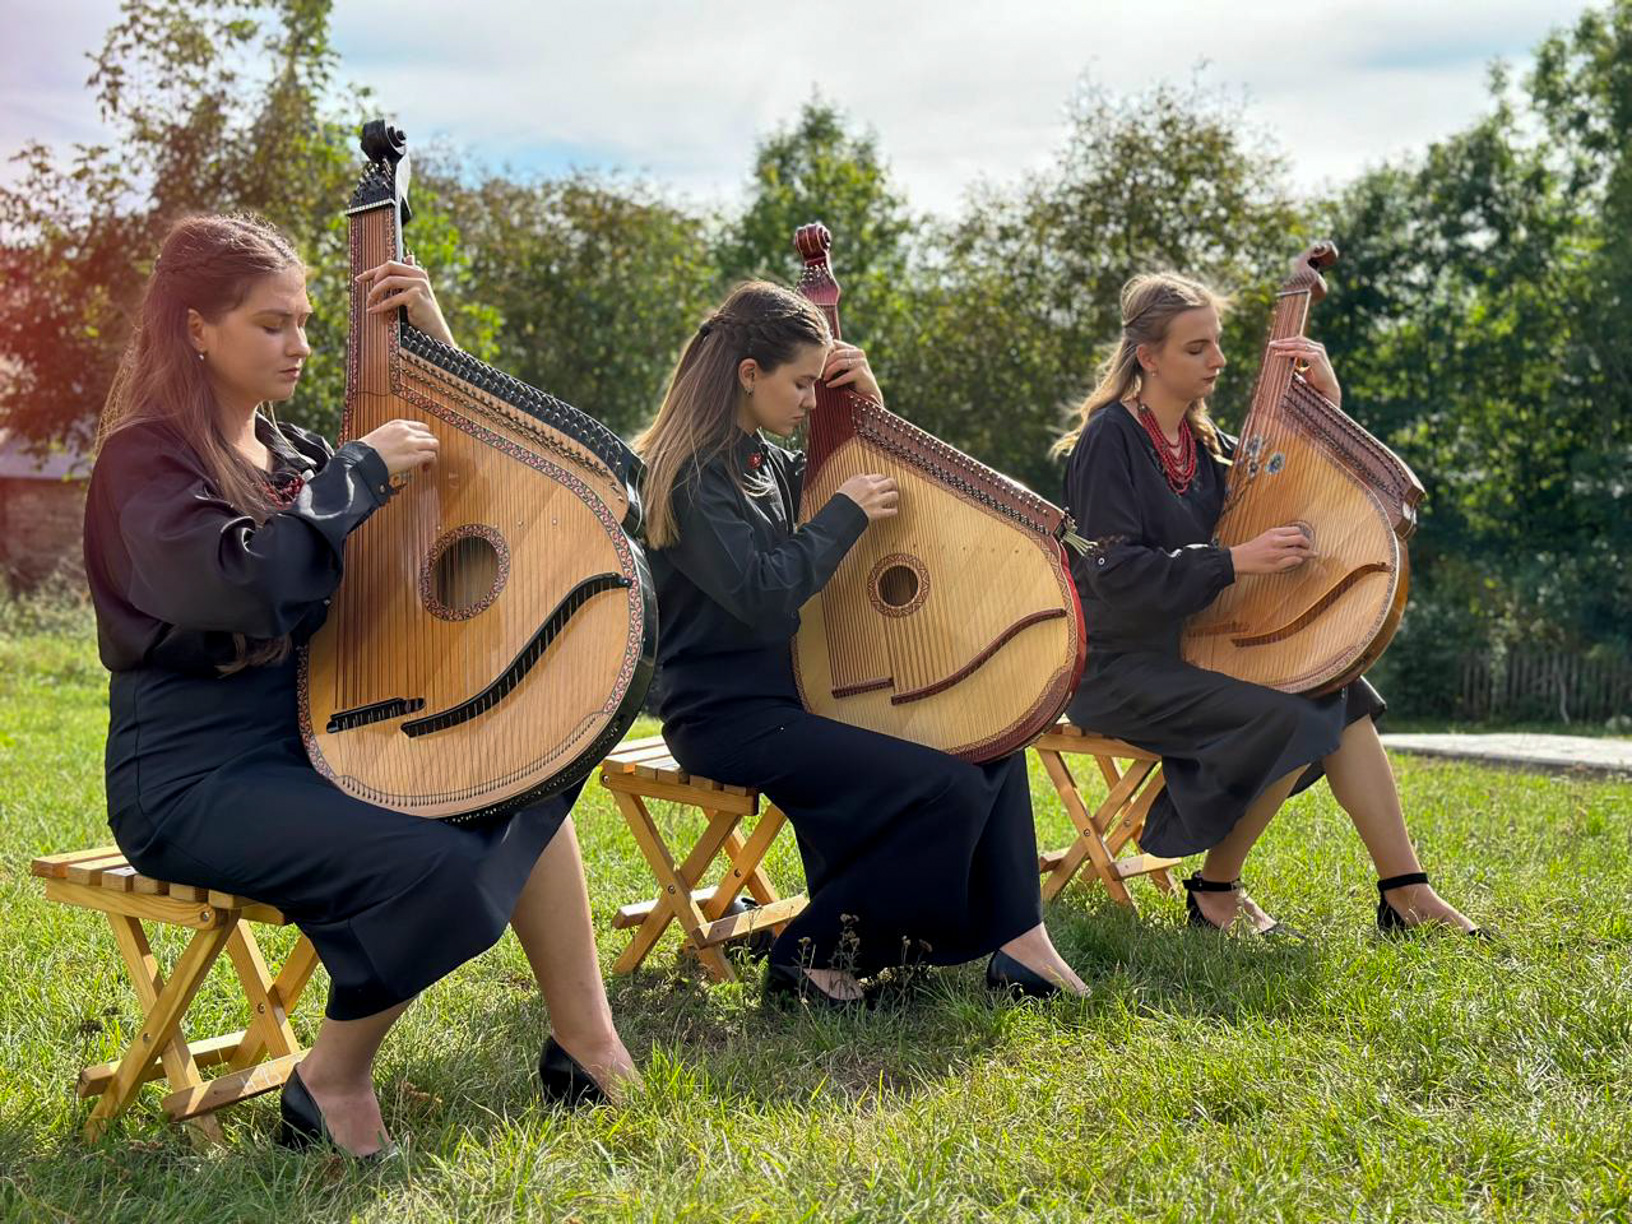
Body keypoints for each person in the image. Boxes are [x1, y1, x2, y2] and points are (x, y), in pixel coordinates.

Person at [83, 213, 640, 1159]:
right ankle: (330, 1079)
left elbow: (481, 482)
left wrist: (431, 341)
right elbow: (240, 582)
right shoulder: (148, 459)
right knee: (446, 874)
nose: (299, 344)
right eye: (271, 324)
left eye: (304, 321)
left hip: (325, 741)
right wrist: (355, 478)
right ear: (194, 329)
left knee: (534, 773)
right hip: (192, 780)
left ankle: (588, 1047)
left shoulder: (296, 453)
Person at [635, 281, 1089, 1007]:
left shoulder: (762, 461)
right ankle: (808, 957)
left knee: (993, 739)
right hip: (727, 716)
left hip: (806, 694)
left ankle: (1021, 943)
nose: (813, 400)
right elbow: (760, 596)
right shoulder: (689, 475)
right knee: (943, 789)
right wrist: (842, 517)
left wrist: (869, 406)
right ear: (748, 374)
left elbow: (849, 467)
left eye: (820, 383)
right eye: (802, 383)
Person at [1055, 271, 1484, 937]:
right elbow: (1114, 573)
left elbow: (1285, 491)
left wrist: (1326, 402)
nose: (1218, 361)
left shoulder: (1205, 443)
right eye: (1196, 348)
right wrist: (1235, 561)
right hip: (1120, 668)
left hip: (1202, 643)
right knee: (1294, 713)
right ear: (1149, 355)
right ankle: (1216, 888)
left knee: (1342, 688)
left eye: (1218, 344)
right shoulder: (1109, 439)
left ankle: (1406, 890)